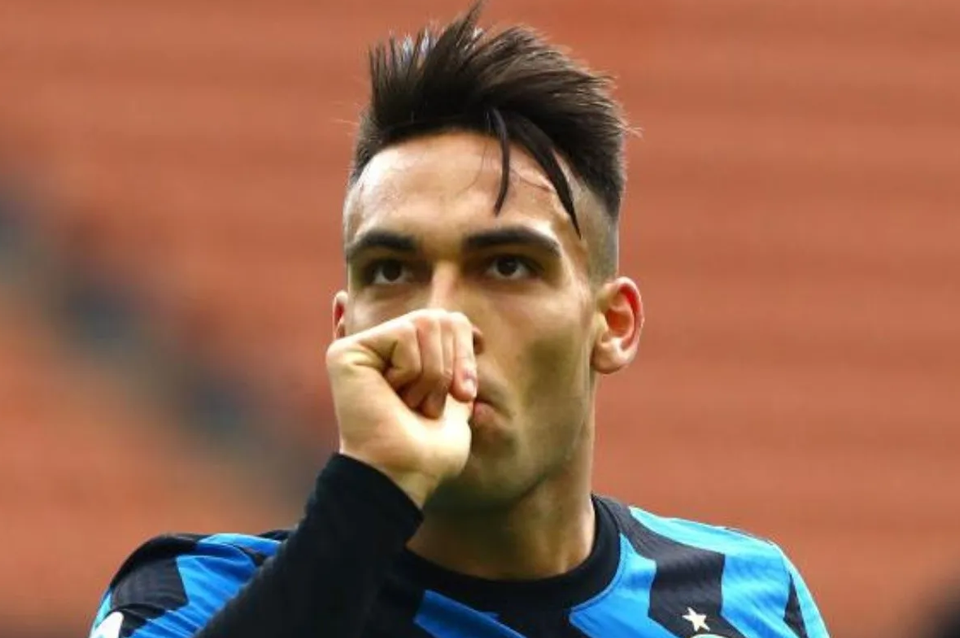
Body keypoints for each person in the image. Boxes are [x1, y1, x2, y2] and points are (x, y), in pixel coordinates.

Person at [88, 5, 830, 638]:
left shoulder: (747, 602)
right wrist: (370, 490)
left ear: (613, 325)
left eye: (507, 265)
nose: (438, 317)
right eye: (391, 270)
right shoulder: (185, 600)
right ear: (344, 330)